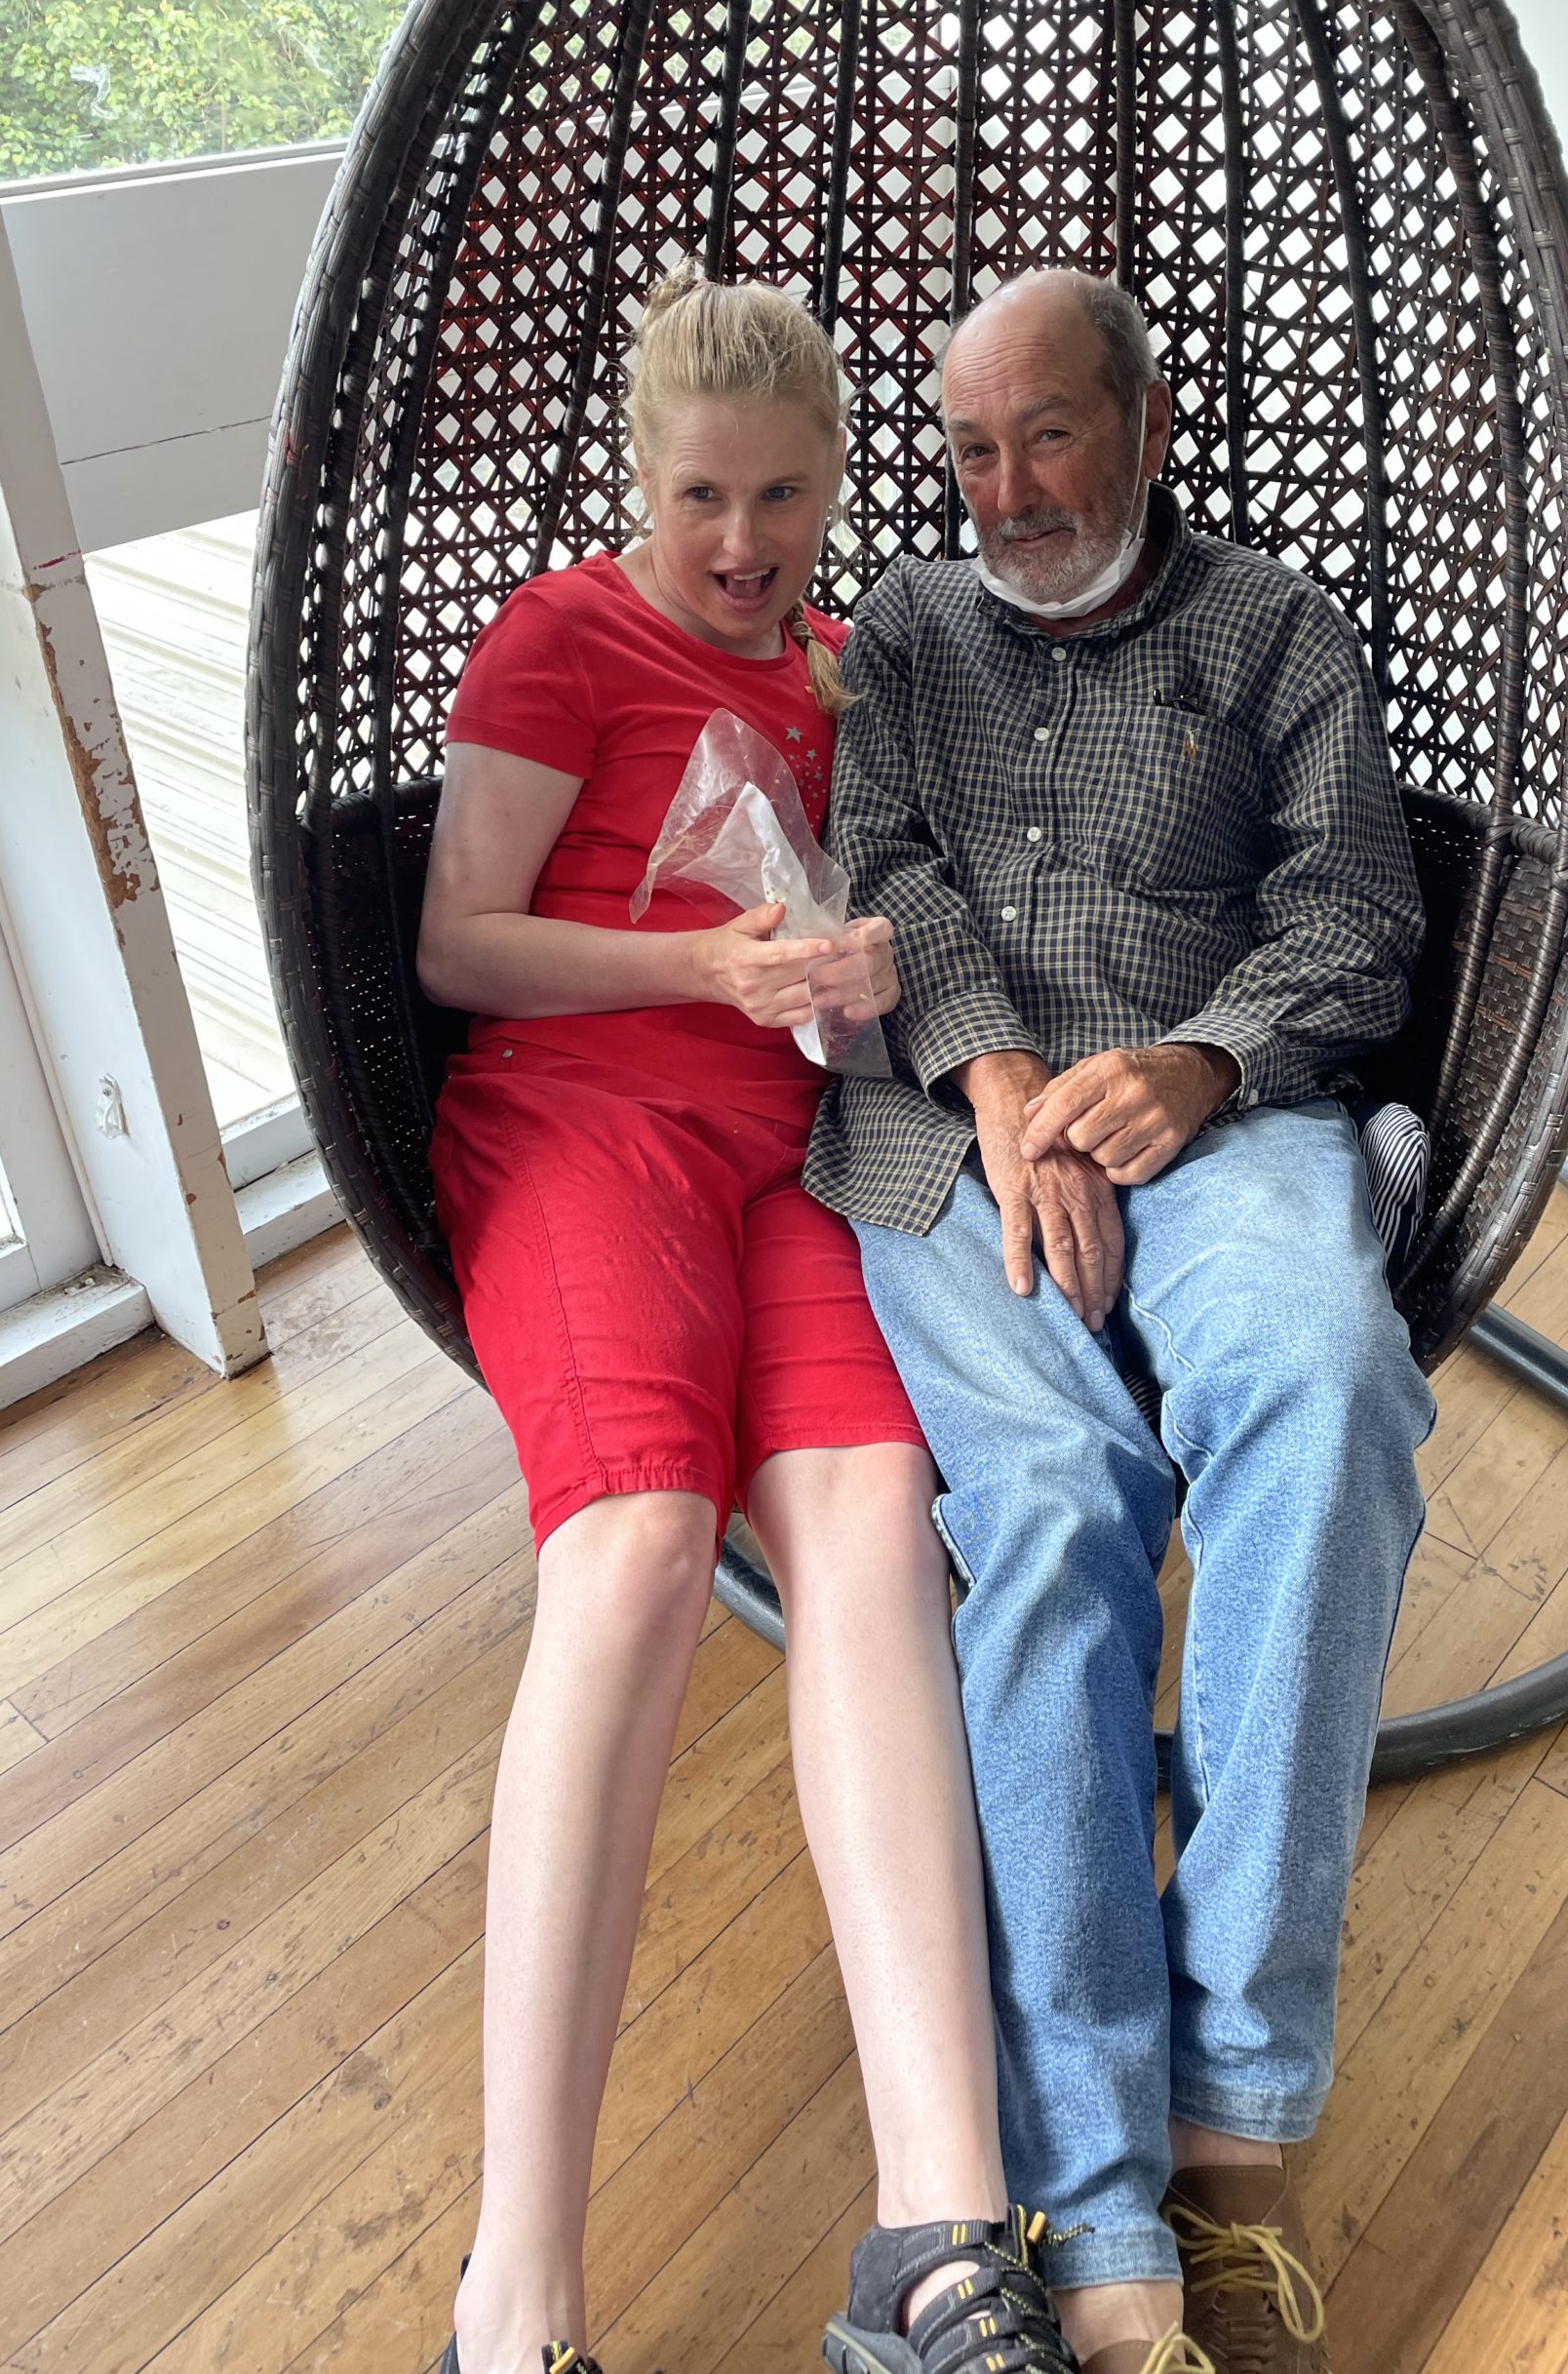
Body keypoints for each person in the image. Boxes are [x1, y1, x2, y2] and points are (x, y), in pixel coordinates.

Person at [416, 269, 1129, 2374]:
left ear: (839, 484)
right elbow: (460, 944)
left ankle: (941, 2231)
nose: (745, 544)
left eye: (790, 498)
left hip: (802, 1156)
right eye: (706, 497)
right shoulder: (562, 637)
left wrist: (866, 970)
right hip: (582, 1128)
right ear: (643, 479)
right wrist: (700, 972)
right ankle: (512, 2292)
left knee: (877, 1540)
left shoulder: (845, 663)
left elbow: (880, 908)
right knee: (633, 1547)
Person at [806, 269, 1437, 2374]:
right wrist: (993, 1083)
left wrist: (1192, 1067)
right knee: (1060, 1502)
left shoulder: (1280, 631)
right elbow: (880, 869)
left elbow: (1355, 909)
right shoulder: (901, 631)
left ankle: (1231, 2118)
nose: (1005, 489)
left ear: (1147, 424)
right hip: (952, 1128)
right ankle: (1086, 2188)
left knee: (1329, 1390)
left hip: (1217, 1115)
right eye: (971, 450)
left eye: (1046, 436)